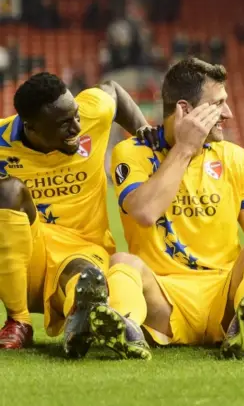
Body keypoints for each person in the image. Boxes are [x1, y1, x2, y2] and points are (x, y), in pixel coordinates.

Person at [105, 57, 244, 360]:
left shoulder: (233, 157)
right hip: (162, 300)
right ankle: (126, 329)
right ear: (185, 110)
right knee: (122, 263)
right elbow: (144, 212)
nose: (228, 113)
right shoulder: (131, 152)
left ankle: (242, 325)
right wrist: (185, 148)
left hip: (223, 300)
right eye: (218, 104)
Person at [0, 72, 159, 358]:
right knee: (7, 192)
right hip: (26, 262)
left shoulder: (92, 112)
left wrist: (142, 129)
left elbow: (113, 91)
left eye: (75, 116)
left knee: (85, 277)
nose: (76, 127)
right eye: (64, 124)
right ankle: (19, 320)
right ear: (32, 127)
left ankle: (85, 318)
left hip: (83, 247)